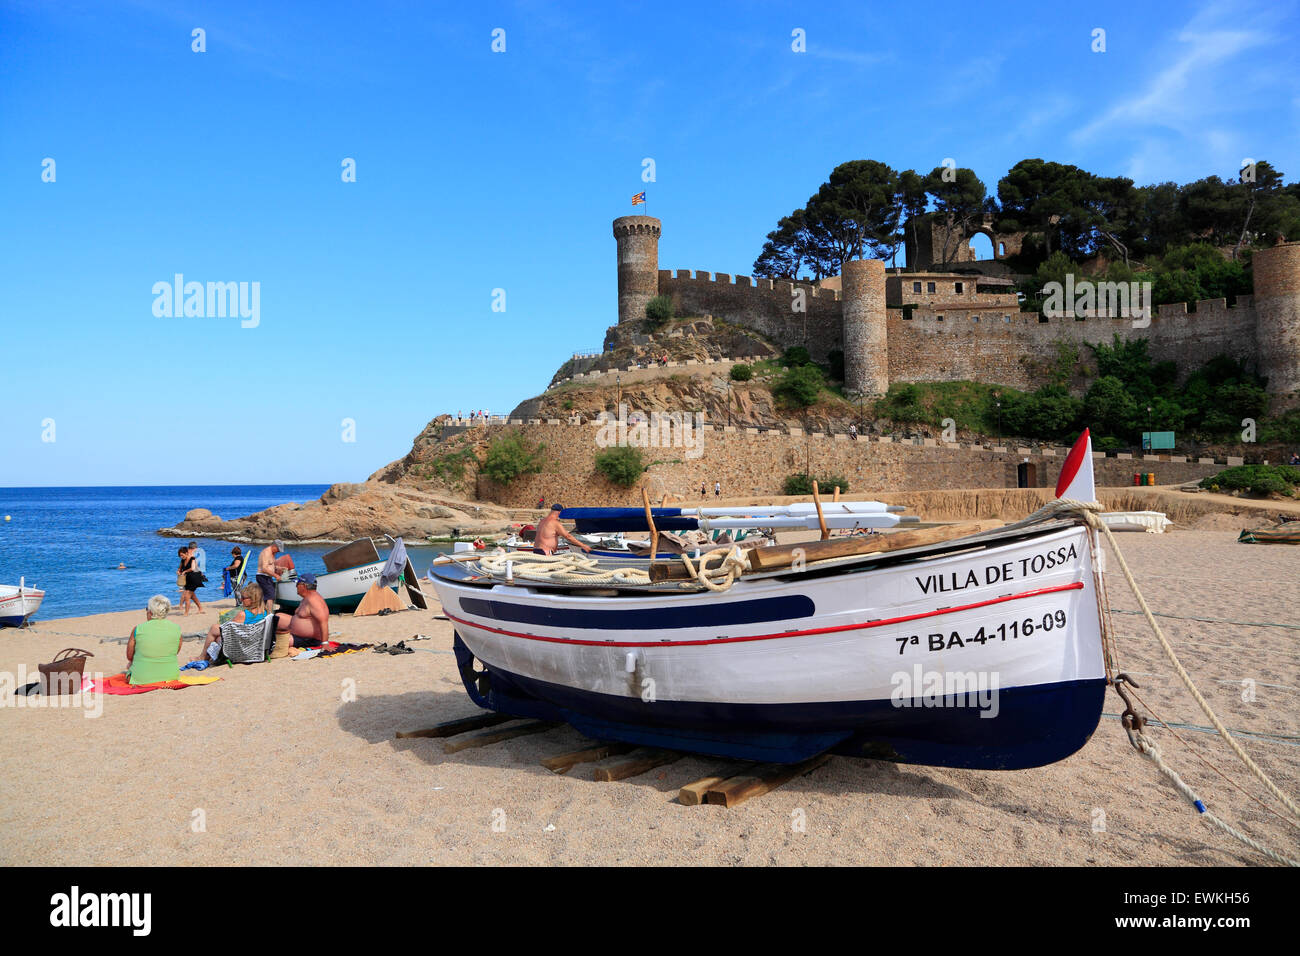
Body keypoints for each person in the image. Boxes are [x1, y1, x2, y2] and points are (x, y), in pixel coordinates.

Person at [192, 582, 267, 662]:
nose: (241, 600)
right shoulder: (264, 613)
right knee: (217, 633)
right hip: (254, 648)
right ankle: (205, 656)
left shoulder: (243, 615)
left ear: (253, 599)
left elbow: (228, 630)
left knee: (214, 629)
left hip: (241, 650)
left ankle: (202, 657)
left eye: (243, 598)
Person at [126, 595, 183, 685]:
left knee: (130, 665)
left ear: (151, 612)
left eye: (147, 609)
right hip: (171, 676)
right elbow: (175, 651)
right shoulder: (176, 628)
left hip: (142, 679)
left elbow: (129, 656)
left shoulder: (138, 629)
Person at [275, 573, 330, 649]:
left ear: (303, 586)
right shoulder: (307, 598)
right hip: (296, 631)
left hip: (308, 639)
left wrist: (325, 643)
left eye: (297, 584)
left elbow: (323, 621)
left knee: (277, 642)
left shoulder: (314, 600)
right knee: (278, 617)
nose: (296, 586)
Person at [257, 540, 286, 614]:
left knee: (266, 596)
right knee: (270, 596)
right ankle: (269, 614)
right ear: (274, 546)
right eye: (278, 549)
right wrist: (275, 575)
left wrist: (278, 568)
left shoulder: (272, 553)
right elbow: (264, 568)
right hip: (263, 576)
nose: (278, 551)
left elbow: (270, 565)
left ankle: (263, 612)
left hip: (267, 577)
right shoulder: (267, 553)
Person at [179, 545, 204, 615]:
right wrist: (179, 571)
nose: (181, 557)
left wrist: (184, 571)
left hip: (195, 578)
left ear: (186, 553)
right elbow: (179, 568)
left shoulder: (192, 559)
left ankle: (186, 613)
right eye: (180, 555)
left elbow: (192, 568)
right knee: (192, 596)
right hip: (188, 579)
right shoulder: (182, 560)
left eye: (182, 555)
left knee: (187, 596)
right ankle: (201, 609)